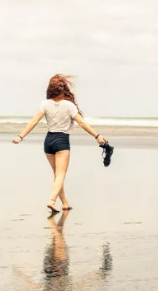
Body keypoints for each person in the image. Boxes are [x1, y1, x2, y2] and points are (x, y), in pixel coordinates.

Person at [12, 74, 107, 213]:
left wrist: (20, 136)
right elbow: (81, 123)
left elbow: (34, 121)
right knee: (60, 175)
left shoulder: (45, 104)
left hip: (48, 141)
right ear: (64, 89)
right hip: (62, 141)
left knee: (57, 175)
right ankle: (51, 200)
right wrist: (97, 136)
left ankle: (65, 203)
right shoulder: (69, 105)